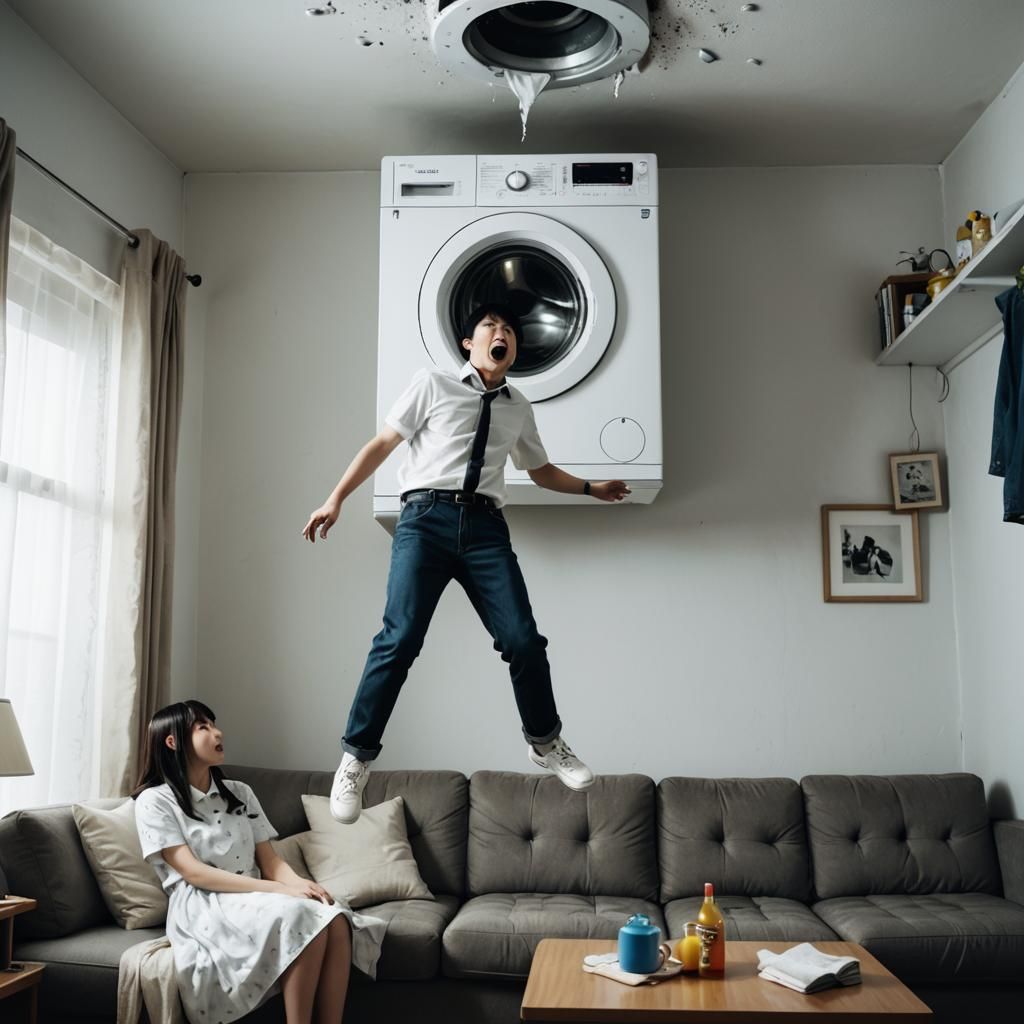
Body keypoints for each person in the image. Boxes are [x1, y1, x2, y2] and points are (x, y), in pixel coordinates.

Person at [301, 304, 630, 824]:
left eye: (509, 330)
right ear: (467, 345)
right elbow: (383, 443)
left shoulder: (518, 406)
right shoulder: (431, 384)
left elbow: (539, 471)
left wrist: (592, 488)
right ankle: (355, 759)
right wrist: (336, 497)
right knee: (399, 638)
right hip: (424, 519)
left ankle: (545, 742)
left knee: (523, 639)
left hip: (484, 528)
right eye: (490, 328)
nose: (502, 335)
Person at [133, 700, 385, 1024]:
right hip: (205, 902)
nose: (217, 732)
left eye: (214, 723)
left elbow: (270, 860)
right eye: (203, 727)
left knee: (333, 917)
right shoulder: (155, 801)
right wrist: (278, 891)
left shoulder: (240, 792)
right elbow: (193, 873)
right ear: (173, 741)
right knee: (301, 917)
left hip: (256, 893)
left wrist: (299, 885)